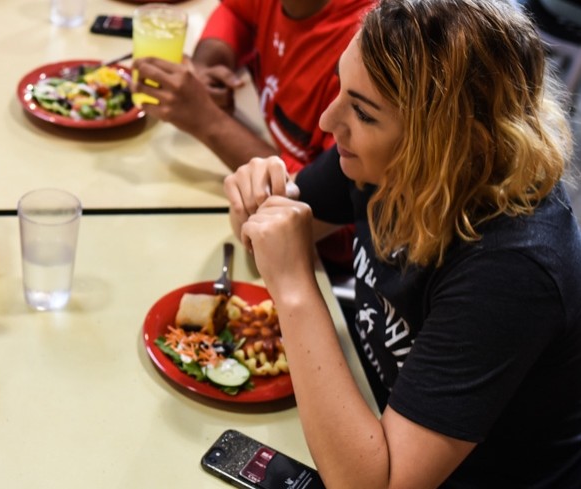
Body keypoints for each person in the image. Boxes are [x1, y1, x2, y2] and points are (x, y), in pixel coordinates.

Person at [225, 0, 581, 485]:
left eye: (364, 113)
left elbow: (374, 484)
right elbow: (264, 236)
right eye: (341, 89)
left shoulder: (514, 266)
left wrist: (292, 285)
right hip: (374, 413)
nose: (331, 122)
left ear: (456, 143)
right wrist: (258, 202)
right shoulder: (389, 156)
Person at [135, 0, 375, 272]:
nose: (328, 119)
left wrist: (207, 121)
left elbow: (341, 221)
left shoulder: (366, 43)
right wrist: (206, 68)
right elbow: (234, 11)